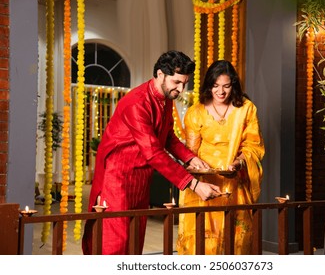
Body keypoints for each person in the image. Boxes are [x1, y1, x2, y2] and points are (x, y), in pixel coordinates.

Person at [82, 50, 222, 255]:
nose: (180, 89)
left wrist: (190, 158)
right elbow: (153, 152)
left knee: (135, 242)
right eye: (176, 82)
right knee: (115, 244)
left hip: (141, 178)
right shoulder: (137, 102)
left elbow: (167, 138)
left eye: (184, 83)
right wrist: (193, 184)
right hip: (117, 178)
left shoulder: (166, 99)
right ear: (160, 74)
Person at [176, 60, 265, 255]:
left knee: (237, 239)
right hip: (204, 182)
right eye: (215, 86)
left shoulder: (246, 109)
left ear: (233, 85)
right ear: (209, 86)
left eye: (226, 86)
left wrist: (240, 161)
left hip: (235, 182)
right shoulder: (196, 112)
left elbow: (253, 144)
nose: (221, 92)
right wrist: (196, 167)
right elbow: (191, 152)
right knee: (202, 238)